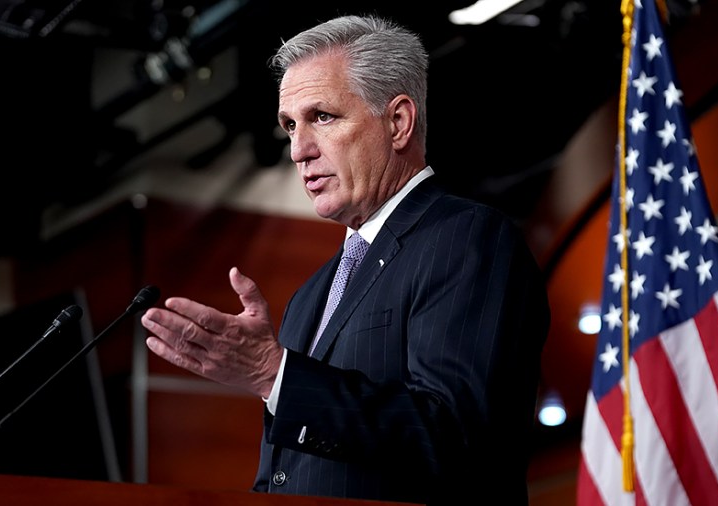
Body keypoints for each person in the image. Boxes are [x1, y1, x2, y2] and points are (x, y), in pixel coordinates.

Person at [140, 14, 550, 506]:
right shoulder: (311, 294)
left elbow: (456, 435)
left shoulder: (466, 238)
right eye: (290, 125)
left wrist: (275, 375)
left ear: (398, 122)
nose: (298, 150)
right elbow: (285, 472)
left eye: (323, 117)